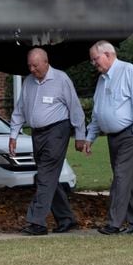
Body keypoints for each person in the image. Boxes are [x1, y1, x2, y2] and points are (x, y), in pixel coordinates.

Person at [9, 48, 86, 236]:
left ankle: (36, 222)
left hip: (57, 131)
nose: (32, 69)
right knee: (48, 177)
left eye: (35, 65)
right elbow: (19, 110)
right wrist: (13, 135)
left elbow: (75, 107)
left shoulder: (61, 79)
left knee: (44, 175)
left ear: (45, 62)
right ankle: (66, 219)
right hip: (38, 134)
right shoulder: (28, 82)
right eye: (29, 66)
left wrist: (80, 134)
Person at [83, 40, 133, 235]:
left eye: (95, 59)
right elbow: (97, 113)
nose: (94, 64)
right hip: (113, 137)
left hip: (130, 133)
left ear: (108, 54)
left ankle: (114, 223)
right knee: (125, 179)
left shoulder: (129, 71)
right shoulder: (102, 80)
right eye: (92, 61)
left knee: (121, 176)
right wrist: (90, 137)